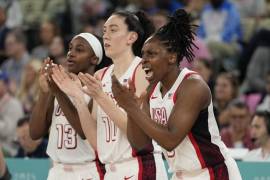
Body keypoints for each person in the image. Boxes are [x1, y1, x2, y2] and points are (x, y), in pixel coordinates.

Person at [111, 9, 242, 179]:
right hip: (181, 174)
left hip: (212, 171)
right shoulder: (152, 90)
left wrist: (131, 107)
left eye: (151, 54)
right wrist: (131, 108)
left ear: (172, 57)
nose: (144, 60)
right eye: (143, 55)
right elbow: (140, 144)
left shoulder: (192, 85)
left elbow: (170, 140)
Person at [51, 10, 168, 180]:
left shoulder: (142, 70)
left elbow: (139, 135)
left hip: (141, 165)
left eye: (113, 30)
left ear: (131, 37)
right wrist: (78, 98)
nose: (106, 36)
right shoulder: (101, 76)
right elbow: (96, 143)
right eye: (104, 31)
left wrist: (101, 98)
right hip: (112, 170)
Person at [30, 32, 108, 180]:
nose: (71, 54)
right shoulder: (58, 86)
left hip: (89, 170)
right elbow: (35, 133)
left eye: (79, 50)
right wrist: (44, 91)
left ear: (94, 59)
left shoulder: (97, 89)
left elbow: (83, 131)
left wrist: (59, 92)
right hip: (57, 170)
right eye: (70, 48)